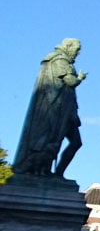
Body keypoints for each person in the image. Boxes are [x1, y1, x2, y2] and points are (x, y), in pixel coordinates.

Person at [14, 38, 87, 177]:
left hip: (66, 111)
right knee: (56, 141)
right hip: (57, 111)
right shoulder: (59, 61)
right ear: (68, 47)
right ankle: (47, 172)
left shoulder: (59, 61)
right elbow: (70, 81)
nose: (77, 53)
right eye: (76, 50)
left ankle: (58, 174)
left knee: (75, 142)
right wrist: (80, 78)